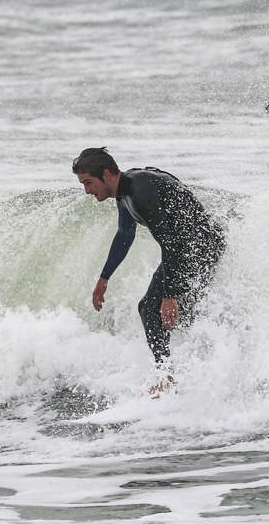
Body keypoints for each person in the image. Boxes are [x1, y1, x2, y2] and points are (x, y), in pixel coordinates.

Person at [73, 148, 226, 392]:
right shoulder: (125, 193)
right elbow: (125, 235)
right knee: (173, 312)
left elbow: (170, 241)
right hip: (188, 248)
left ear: (107, 174)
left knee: (154, 308)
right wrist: (104, 278)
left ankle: (170, 378)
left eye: (88, 182)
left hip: (201, 247)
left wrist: (169, 295)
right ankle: (200, 368)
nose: (87, 191)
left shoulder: (140, 191)